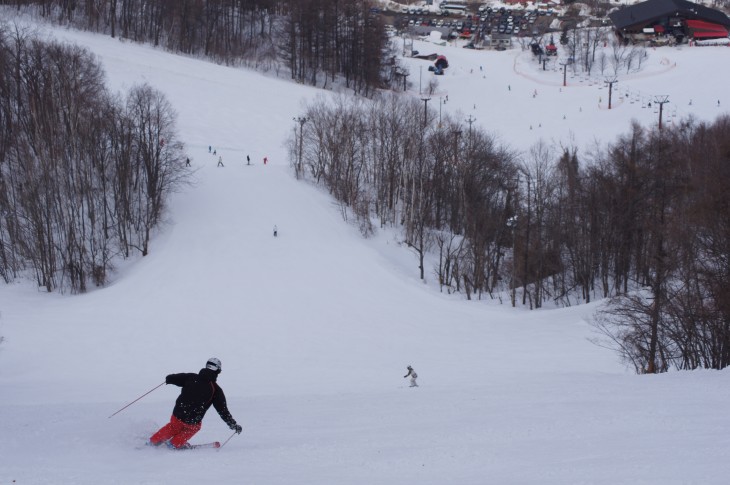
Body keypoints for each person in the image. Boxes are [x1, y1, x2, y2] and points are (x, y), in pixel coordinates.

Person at [149, 358, 242, 449]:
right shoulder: (216, 390)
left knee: (173, 427)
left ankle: (153, 441)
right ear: (217, 371)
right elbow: (223, 411)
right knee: (192, 429)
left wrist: (169, 379)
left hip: (178, 413)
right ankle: (174, 444)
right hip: (193, 420)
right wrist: (233, 425)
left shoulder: (191, 377)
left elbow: (173, 378)